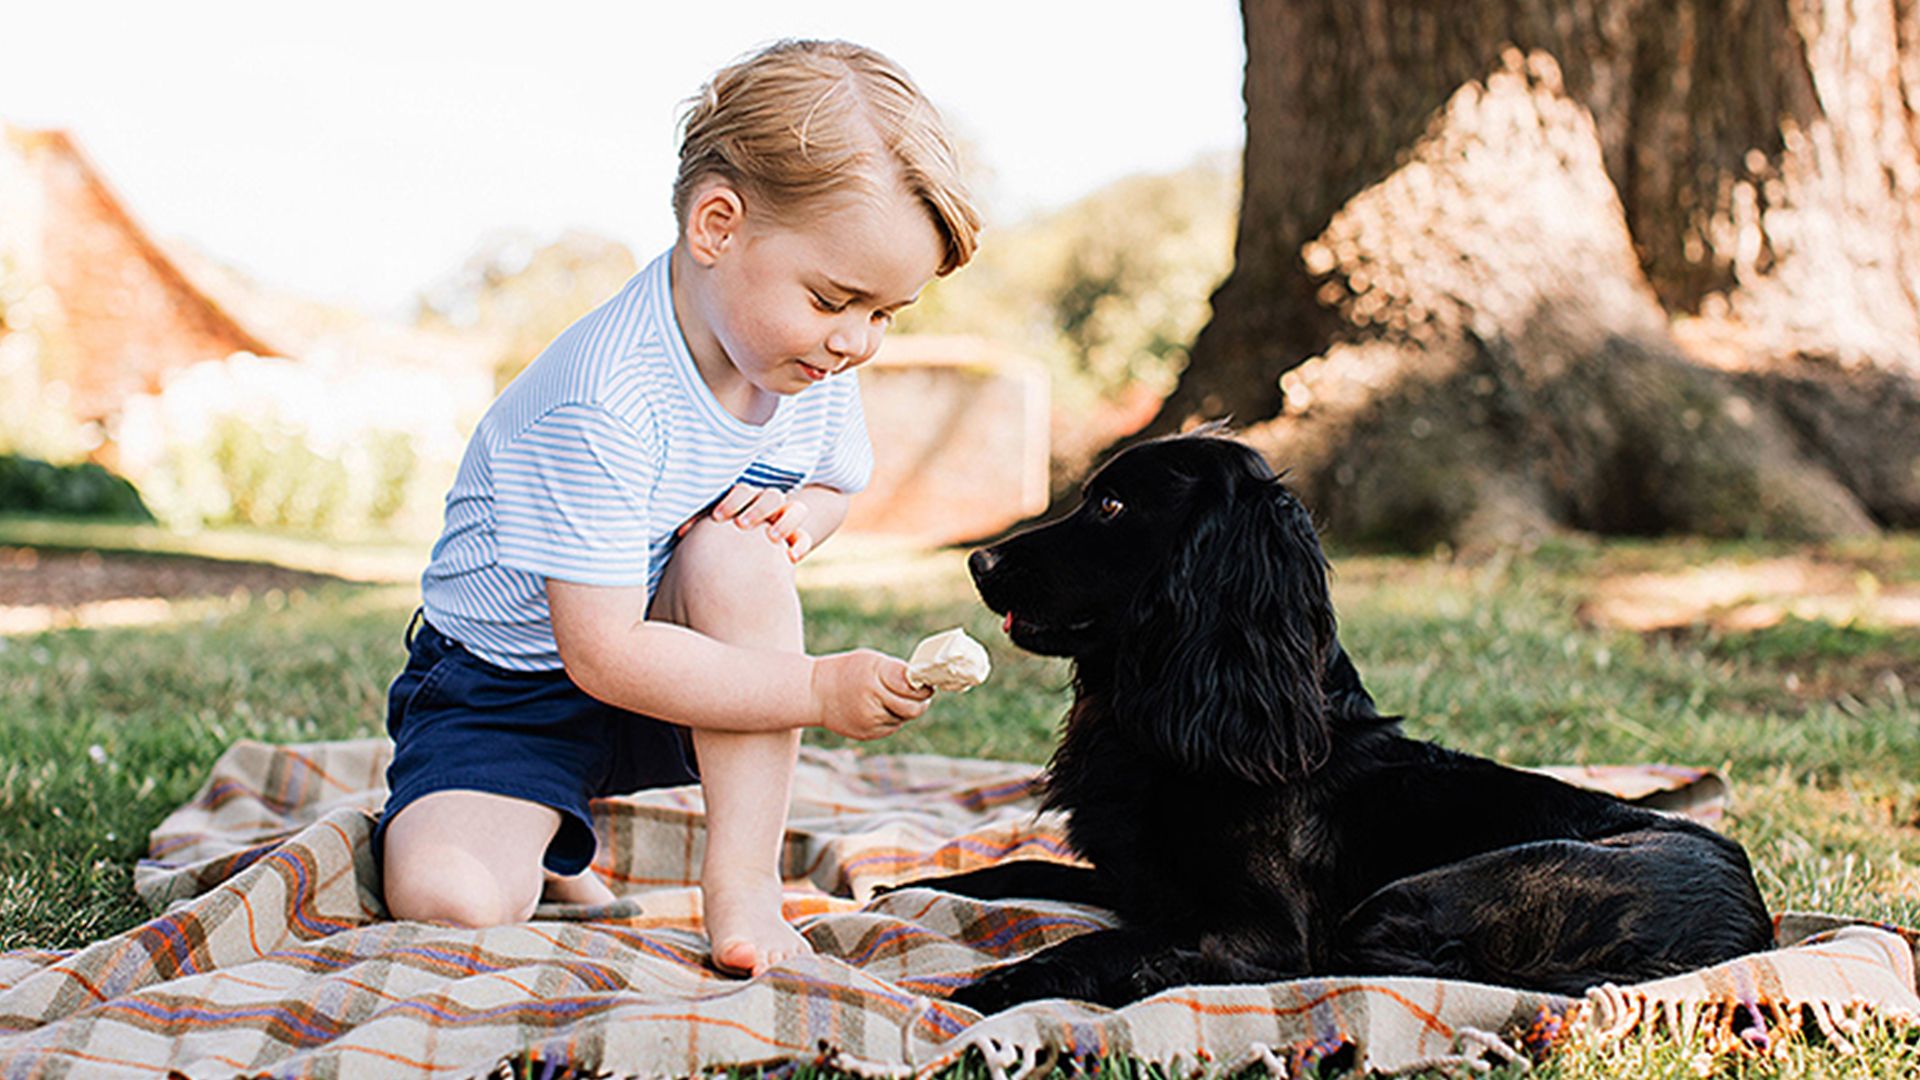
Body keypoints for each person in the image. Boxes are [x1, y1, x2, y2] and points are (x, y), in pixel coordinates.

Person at [375, 38, 981, 978]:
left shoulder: (804, 359)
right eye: (835, 299)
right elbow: (601, 652)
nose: (858, 341)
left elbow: (831, 484)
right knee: (449, 904)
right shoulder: (603, 399)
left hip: (675, 661)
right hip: (510, 686)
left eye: (886, 314)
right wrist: (818, 689)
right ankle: (534, 827)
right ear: (717, 225)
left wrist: (794, 524)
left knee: (738, 556)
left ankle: (741, 888)